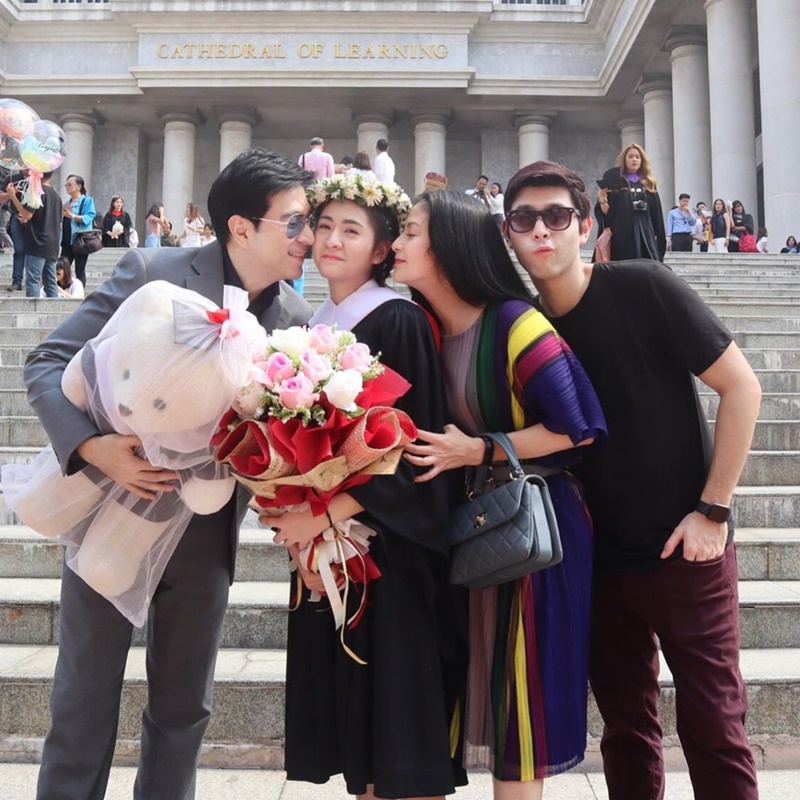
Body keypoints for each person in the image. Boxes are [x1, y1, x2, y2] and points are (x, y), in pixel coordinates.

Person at [26, 148, 315, 800]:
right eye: (295, 222)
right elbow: (47, 361)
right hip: (110, 513)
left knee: (185, 710)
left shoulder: (298, 322)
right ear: (242, 227)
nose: (309, 236)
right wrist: (93, 447)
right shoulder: (152, 271)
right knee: (83, 701)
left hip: (205, 536)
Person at [503, 159, 761, 800]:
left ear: (586, 226)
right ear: (508, 234)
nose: (542, 231)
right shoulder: (525, 328)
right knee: (625, 732)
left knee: (715, 727)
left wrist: (713, 512)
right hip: (594, 562)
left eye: (556, 215)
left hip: (685, 550)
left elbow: (742, 387)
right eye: (524, 219)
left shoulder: (645, 286)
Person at [395, 189, 607, 800]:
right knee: (482, 685)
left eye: (410, 232)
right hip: (474, 525)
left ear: (449, 246)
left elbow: (577, 428)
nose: (397, 244)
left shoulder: (516, 323)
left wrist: (478, 449)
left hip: (537, 528)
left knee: (521, 699)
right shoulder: (426, 329)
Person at [270, 176, 467, 799]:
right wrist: (299, 526)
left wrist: (323, 518)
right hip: (330, 551)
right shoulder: (312, 325)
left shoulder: (399, 319)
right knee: (360, 738)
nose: (331, 240)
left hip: (389, 555)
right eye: (324, 226)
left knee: (398, 738)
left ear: (382, 249)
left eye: (351, 231)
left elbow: (411, 449)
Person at [595, 143, 666, 262]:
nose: (634, 160)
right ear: (624, 159)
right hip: (622, 234)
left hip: (645, 234)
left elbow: (656, 214)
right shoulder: (616, 182)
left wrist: (657, 238)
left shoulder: (648, 184)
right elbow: (607, 214)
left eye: (637, 157)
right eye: (630, 156)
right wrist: (602, 199)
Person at [7, 171, 61, 298]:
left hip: (37, 242)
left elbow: (27, 214)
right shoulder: (56, 195)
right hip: (52, 244)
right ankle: (53, 310)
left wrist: (12, 196)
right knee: (50, 283)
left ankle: (33, 311)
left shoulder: (36, 191)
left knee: (33, 280)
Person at [60, 174, 96, 288]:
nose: (67, 187)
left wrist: (72, 216)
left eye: (70, 184)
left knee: (79, 269)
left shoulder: (87, 200)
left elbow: (88, 217)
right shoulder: (67, 203)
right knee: (62, 268)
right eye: (66, 185)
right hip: (66, 241)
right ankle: (62, 291)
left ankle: (79, 293)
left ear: (79, 186)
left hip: (80, 241)